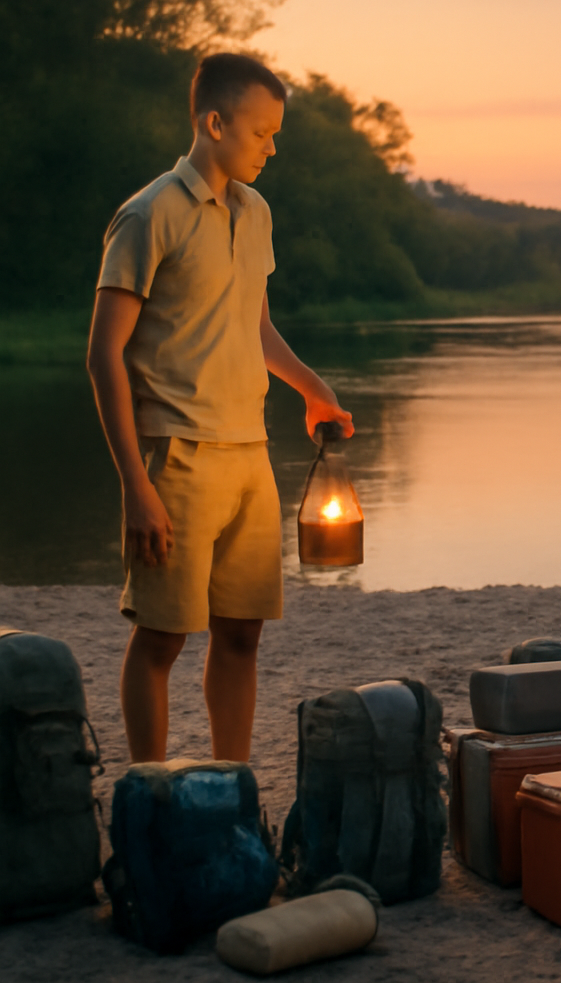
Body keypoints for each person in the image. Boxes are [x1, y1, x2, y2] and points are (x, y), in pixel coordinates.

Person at [86, 54, 353, 765]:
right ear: (214, 123)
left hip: (249, 455)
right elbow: (102, 355)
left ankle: (231, 786)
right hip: (176, 457)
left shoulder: (255, 212)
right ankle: (149, 796)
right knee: (162, 639)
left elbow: (254, 326)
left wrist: (311, 387)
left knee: (241, 635)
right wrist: (135, 489)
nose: (273, 146)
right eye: (263, 132)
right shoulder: (149, 215)